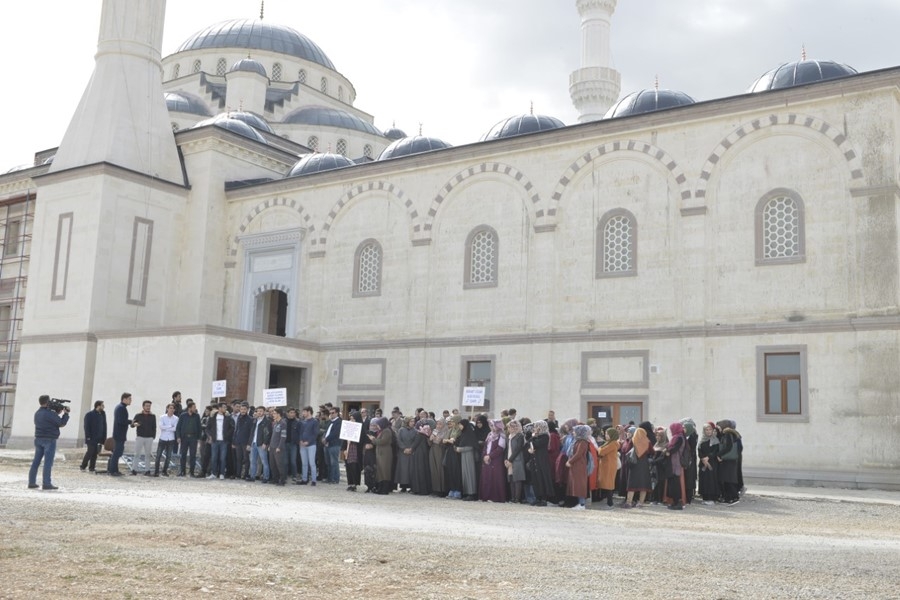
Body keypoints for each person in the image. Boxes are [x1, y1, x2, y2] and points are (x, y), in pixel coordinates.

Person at [28, 395, 70, 490]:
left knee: (36, 462)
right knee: (48, 463)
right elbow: (61, 423)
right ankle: (46, 483)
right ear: (47, 402)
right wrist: (66, 414)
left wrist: (56, 413)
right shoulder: (50, 414)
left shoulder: (37, 413)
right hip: (49, 440)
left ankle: (31, 482)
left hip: (38, 439)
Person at [623, 426, 652, 508]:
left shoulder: (633, 440)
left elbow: (627, 450)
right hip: (644, 465)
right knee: (643, 484)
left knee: (632, 484)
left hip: (634, 464)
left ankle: (629, 502)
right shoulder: (647, 441)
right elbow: (652, 451)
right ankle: (640, 503)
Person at [479, 419, 507, 502]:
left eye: (493, 426)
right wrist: (484, 455)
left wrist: (490, 456)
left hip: (496, 460)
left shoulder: (501, 435)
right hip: (487, 459)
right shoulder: (489, 434)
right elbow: (486, 446)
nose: (491, 428)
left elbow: (500, 448)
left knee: (495, 477)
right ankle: (485, 496)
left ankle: (494, 497)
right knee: (486, 477)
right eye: (490, 426)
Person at [565, 424, 591, 510]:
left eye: (575, 431)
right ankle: (579, 503)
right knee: (576, 485)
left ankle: (582, 504)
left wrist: (570, 461)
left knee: (579, 485)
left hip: (579, 466)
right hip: (575, 466)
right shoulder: (577, 441)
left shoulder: (583, 442)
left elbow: (578, 454)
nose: (573, 433)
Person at [206, 403, 234, 480]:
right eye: (224, 407)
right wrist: (210, 436)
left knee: (223, 458)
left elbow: (232, 428)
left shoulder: (228, 418)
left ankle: (222, 473)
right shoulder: (212, 418)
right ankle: (213, 473)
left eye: (226, 407)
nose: (225, 409)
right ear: (219, 408)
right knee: (214, 458)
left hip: (224, 441)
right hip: (215, 440)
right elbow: (207, 428)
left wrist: (227, 435)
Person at [108, 392, 134, 476]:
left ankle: (115, 470)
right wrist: (131, 422)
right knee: (117, 453)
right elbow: (121, 421)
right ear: (124, 399)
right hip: (119, 434)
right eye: (129, 399)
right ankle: (112, 471)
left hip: (119, 434)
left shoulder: (121, 407)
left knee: (118, 453)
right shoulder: (121, 408)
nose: (131, 400)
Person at [368, 417, 393, 494]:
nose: (377, 426)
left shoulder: (387, 431)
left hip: (385, 453)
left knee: (384, 471)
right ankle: (380, 488)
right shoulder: (382, 431)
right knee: (380, 471)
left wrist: (373, 439)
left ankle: (384, 489)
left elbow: (383, 441)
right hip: (381, 453)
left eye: (378, 424)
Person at [176, 401, 201, 477]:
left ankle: (192, 472)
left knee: (193, 455)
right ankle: (183, 472)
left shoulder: (197, 416)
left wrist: (199, 438)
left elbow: (199, 427)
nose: (195, 408)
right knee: (183, 455)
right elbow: (178, 427)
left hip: (193, 438)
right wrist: (178, 437)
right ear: (189, 408)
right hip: (184, 438)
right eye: (194, 407)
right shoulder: (183, 415)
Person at [596, 427, 620, 510]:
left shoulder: (613, 443)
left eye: (607, 434)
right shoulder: (609, 443)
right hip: (606, 465)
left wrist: (598, 448)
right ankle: (607, 501)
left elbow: (601, 451)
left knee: (608, 484)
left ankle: (610, 503)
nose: (606, 435)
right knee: (606, 483)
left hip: (609, 466)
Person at [80, 400, 106, 473]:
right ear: (98, 406)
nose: (104, 407)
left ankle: (92, 467)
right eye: (102, 405)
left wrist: (104, 438)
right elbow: (86, 426)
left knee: (95, 453)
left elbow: (104, 426)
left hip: (99, 438)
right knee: (90, 452)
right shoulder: (89, 415)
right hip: (91, 438)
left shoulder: (102, 414)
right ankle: (83, 466)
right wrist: (88, 436)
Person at [697, 421, 720, 504]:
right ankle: (705, 498)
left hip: (712, 463)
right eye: (706, 430)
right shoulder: (702, 441)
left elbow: (715, 451)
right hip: (703, 463)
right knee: (704, 480)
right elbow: (699, 451)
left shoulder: (715, 440)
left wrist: (708, 457)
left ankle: (711, 498)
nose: (708, 431)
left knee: (711, 480)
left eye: (710, 429)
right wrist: (703, 458)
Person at [132, 400, 156, 476]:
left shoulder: (153, 416)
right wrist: (135, 424)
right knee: (137, 454)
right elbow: (132, 425)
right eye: (147, 406)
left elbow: (154, 427)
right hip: (140, 437)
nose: (148, 407)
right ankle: (134, 470)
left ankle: (147, 470)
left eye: (149, 406)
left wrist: (153, 437)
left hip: (149, 438)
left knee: (148, 454)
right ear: (143, 406)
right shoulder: (138, 415)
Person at [505, 420, 527, 503]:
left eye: (511, 427)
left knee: (517, 479)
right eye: (509, 427)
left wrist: (510, 460)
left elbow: (518, 449)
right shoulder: (509, 436)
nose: (509, 429)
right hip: (509, 460)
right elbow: (507, 449)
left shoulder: (520, 436)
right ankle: (513, 497)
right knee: (511, 479)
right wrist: (505, 460)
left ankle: (517, 498)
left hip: (517, 459)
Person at [248, 406, 271, 483]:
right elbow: (251, 432)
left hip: (261, 444)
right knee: (253, 461)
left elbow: (268, 433)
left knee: (264, 461)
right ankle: (252, 476)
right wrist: (249, 443)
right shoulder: (255, 420)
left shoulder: (267, 421)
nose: (259, 412)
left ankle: (266, 477)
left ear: (264, 412)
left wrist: (265, 443)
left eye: (261, 411)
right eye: (258, 411)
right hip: (253, 443)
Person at [154, 403, 178, 476]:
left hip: (171, 439)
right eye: (170, 408)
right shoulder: (162, 417)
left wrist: (167, 427)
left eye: (172, 408)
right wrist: (170, 426)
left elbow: (175, 428)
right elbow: (161, 427)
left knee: (168, 456)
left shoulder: (176, 418)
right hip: (163, 438)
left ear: (174, 410)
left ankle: (164, 471)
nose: (171, 410)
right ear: (167, 409)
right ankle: (156, 471)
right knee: (158, 455)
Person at [296, 406, 318, 486]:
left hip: (311, 445)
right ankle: (304, 479)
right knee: (304, 463)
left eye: (304, 411)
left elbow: (315, 434)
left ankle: (313, 480)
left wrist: (308, 442)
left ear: (309, 412)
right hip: (302, 445)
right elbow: (300, 432)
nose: (303, 413)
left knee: (312, 463)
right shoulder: (302, 422)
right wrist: (301, 440)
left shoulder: (314, 421)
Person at [322, 406, 342, 484]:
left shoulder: (339, 422)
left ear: (337, 413)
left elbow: (335, 433)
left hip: (334, 444)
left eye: (333, 413)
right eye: (330, 413)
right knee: (328, 462)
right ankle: (330, 478)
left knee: (334, 462)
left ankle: (335, 478)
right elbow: (326, 431)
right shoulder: (330, 422)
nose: (331, 414)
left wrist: (326, 439)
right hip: (327, 444)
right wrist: (323, 438)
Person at [269, 408, 288, 485]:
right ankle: (275, 479)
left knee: (279, 464)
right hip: (272, 446)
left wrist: (279, 447)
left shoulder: (283, 423)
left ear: (278, 414)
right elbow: (273, 436)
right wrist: (270, 445)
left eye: (274, 413)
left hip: (278, 447)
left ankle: (282, 480)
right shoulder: (275, 423)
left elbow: (283, 436)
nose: (273, 415)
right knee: (272, 464)